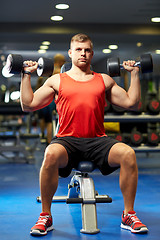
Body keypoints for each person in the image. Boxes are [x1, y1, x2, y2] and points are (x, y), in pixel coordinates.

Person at [20, 33, 148, 236]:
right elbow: (28, 104)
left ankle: (128, 214)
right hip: (66, 141)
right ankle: (45, 215)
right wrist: (26, 74)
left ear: (92, 53)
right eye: (79, 50)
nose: (83, 53)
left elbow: (131, 103)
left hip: (98, 140)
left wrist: (134, 73)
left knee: (128, 154)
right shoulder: (57, 80)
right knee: (50, 154)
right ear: (70, 53)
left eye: (87, 50)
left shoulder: (103, 80)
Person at [35, 54, 66, 144]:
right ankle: (49, 142)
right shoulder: (59, 72)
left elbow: (38, 86)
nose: (64, 63)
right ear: (60, 62)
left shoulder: (46, 71)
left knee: (42, 119)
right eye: (63, 61)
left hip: (42, 99)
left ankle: (42, 135)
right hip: (51, 100)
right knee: (50, 121)